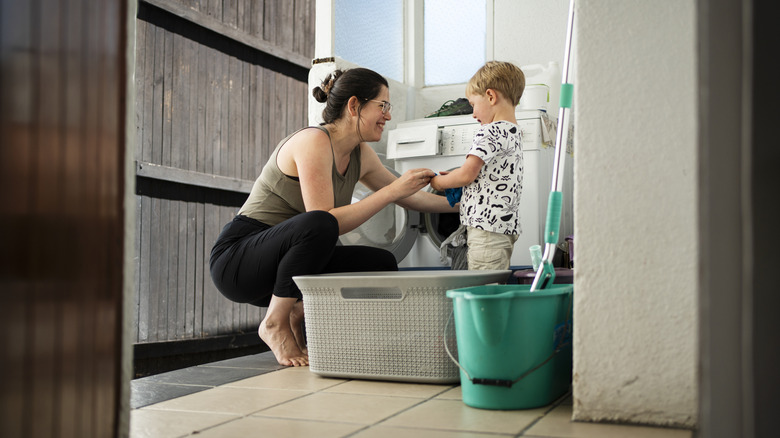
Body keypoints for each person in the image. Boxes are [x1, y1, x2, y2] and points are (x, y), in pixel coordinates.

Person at [209, 67, 456, 367]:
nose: (388, 116)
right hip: (239, 260)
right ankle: (275, 322)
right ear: (354, 106)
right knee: (322, 223)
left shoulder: (360, 154)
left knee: (382, 263)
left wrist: (465, 206)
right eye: (383, 106)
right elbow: (326, 220)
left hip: (284, 267)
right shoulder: (313, 141)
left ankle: (310, 316)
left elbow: (411, 197)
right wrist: (391, 193)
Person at [430, 61, 525, 270]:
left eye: (473, 104)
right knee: (492, 286)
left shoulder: (489, 131)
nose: (473, 113)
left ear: (491, 96)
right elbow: (492, 175)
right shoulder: (514, 133)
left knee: (483, 292)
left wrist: (439, 182)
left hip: (485, 230)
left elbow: (466, 175)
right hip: (503, 228)